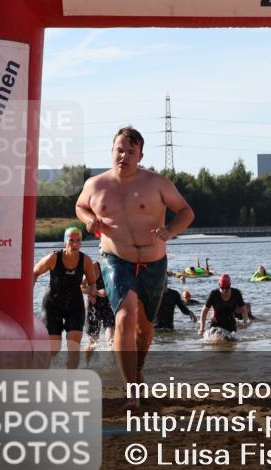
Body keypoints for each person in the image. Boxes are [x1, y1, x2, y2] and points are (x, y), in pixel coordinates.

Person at [75, 126, 194, 409]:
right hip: (116, 259)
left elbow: (186, 212)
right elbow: (80, 206)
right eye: (119, 150)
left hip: (154, 262)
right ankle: (132, 389)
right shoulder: (96, 185)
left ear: (140, 155)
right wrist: (89, 220)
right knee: (125, 316)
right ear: (112, 150)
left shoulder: (157, 183)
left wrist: (170, 230)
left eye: (131, 151)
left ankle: (136, 372)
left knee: (144, 329)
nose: (124, 156)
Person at [32, 226, 97, 369]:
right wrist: (28, 293)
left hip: (75, 306)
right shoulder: (53, 258)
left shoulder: (86, 261)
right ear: (64, 242)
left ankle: (69, 382)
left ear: (81, 243)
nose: (74, 244)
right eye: (71, 241)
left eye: (78, 241)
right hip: (53, 305)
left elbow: (92, 283)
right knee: (54, 349)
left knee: (74, 347)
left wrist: (93, 295)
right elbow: (34, 272)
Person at [84, 261, 115, 363]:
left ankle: (111, 367)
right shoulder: (95, 266)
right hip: (94, 307)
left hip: (107, 306)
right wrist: (95, 293)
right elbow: (80, 286)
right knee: (93, 341)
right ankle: (86, 364)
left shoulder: (118, 268)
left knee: (112, 341)